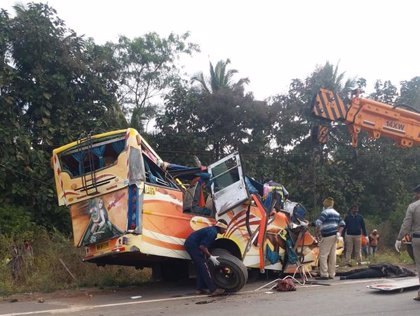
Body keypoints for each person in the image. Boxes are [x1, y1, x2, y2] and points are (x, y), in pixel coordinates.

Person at [184, 220, 227, 296]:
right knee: (204, 267)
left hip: (191, 244)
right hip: (193, 246)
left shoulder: (212, 230)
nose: (225, 231)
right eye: (224, 229)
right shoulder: (212, 233)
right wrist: (210, 256)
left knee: (200, 267)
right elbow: (202, 246)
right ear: (220, 227)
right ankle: (213, 289)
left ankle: (200, 289)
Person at [395, 184, 420, 301]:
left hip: (417, 239)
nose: (415, 195)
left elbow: (406, 225)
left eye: (416, 193)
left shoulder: (413, 206)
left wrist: (399, 238)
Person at [315, 197, 345, 280]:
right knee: (332, 255)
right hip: (335, 235)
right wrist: (339, 232)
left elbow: (318, 223)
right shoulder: (336, 213)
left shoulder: (325, 212)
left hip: (327, 235)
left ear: (325, 204)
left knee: (323, 255)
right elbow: (342, 224)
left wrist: (311, 225)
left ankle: (324, 274)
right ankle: (332, 274)